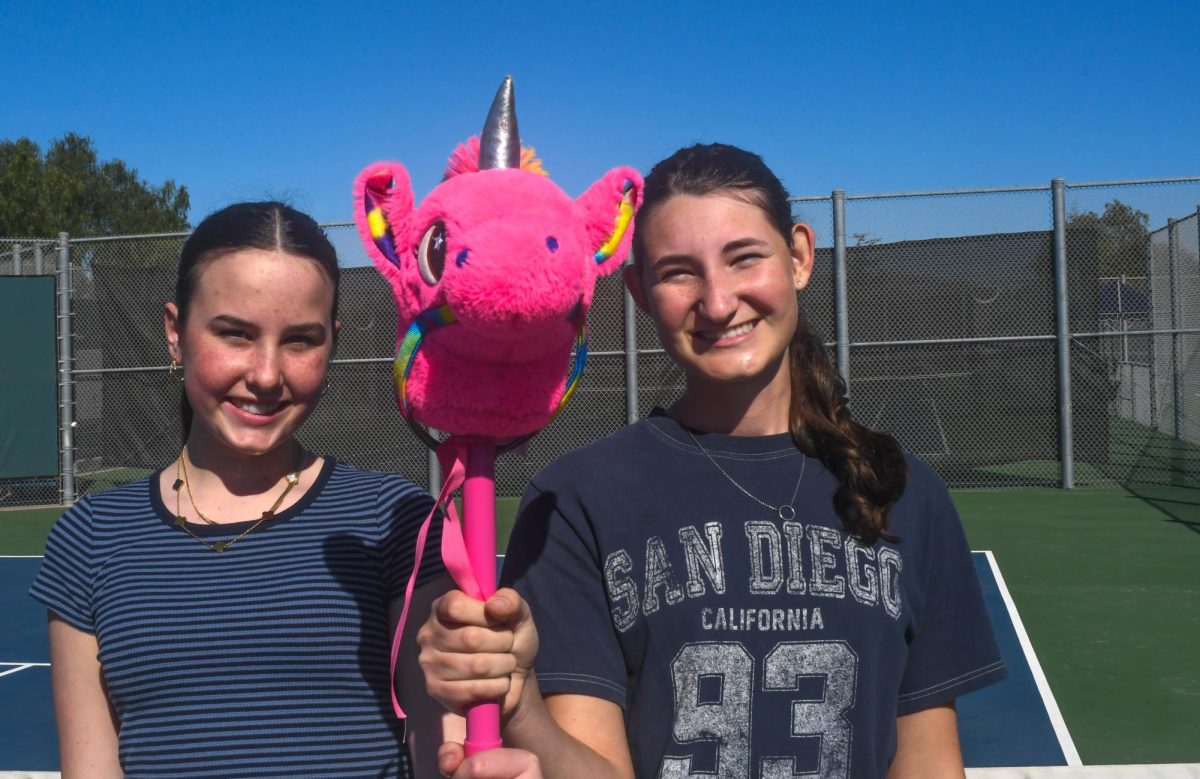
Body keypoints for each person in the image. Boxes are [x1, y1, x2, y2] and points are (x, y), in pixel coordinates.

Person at [417, 144, 1008, 778]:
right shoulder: (578, 499)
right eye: (679, 272)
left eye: (744, 258)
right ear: (640, 293)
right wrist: (521, 706)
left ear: (800, 256)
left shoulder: (903, 489)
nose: (719, 302)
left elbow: (929, 762)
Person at [30, 201, 542, 779]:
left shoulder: (395, 522)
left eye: (300, 340)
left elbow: (439, 746)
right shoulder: (91, 536)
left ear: (332, 342)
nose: (268, 374)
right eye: (234, 334)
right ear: (175, 333)